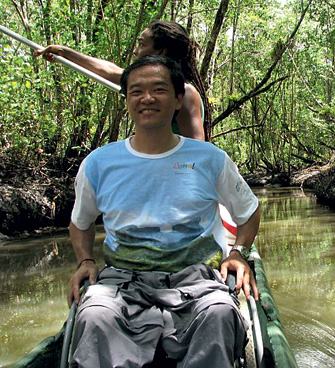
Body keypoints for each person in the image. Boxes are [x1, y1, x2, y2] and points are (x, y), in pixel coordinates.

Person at [67, 55, 260, 367]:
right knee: (94, 315)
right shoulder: (99, 163)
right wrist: (85, 261)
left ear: (177, 100)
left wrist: (237, 252)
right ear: (127, 100)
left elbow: (248, 211)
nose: (147, 99)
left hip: (199, 278)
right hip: (121, 281)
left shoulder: (210, 159)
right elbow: (80, 223)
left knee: (221, 312)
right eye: (136, 92)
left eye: (158, 90)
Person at [37, 20, 207, 141]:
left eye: (141, 44)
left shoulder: (185, 94)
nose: (135, 52)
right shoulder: (141, 83)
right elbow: (108, 70)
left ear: (160, 51)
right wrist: (65, 52)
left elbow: (197, 152)